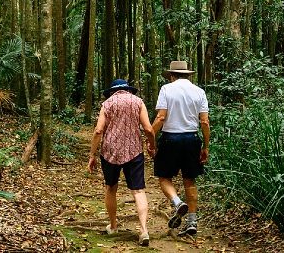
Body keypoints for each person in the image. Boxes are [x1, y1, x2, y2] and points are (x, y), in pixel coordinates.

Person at [87, 79, 156, 246]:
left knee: (111, 188)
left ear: (112, 91)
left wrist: (92, 155)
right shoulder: (138, 101)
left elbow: (98, 130)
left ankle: (113, 225)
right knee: (138, 191)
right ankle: (144, 230)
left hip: (110, 152)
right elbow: (148, 128)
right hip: (134, 152)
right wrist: (152, 145)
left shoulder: (107, 104)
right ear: (128, 89)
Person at [151, 60, 209, 236]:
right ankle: (192, 221)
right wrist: (205, 146)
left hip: (170, 139)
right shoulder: (199, 92)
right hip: (192, 139)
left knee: (164, 177)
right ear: (187, 75)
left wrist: (150, 139)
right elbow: (205, 122)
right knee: (190, 180)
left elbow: (161, 118)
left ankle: (177, 202)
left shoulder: (167, 89)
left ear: (172, 75)